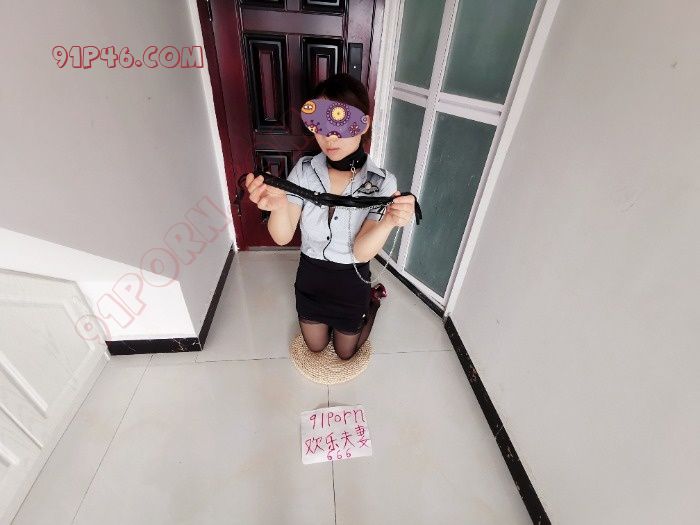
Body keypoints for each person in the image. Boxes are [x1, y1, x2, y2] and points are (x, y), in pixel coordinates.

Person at [245, 73, 416, 360]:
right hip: (311, 275)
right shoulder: (304, 170)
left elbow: (362, 252)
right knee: (315, 347)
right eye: (320, 125)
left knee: (345, 352)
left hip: (351, 279)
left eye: (341, 123)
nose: (329, 137)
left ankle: (372, 302)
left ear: (364, 124)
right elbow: (283, 236)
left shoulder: (382, 182)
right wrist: (277, 206)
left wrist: (389, 221)